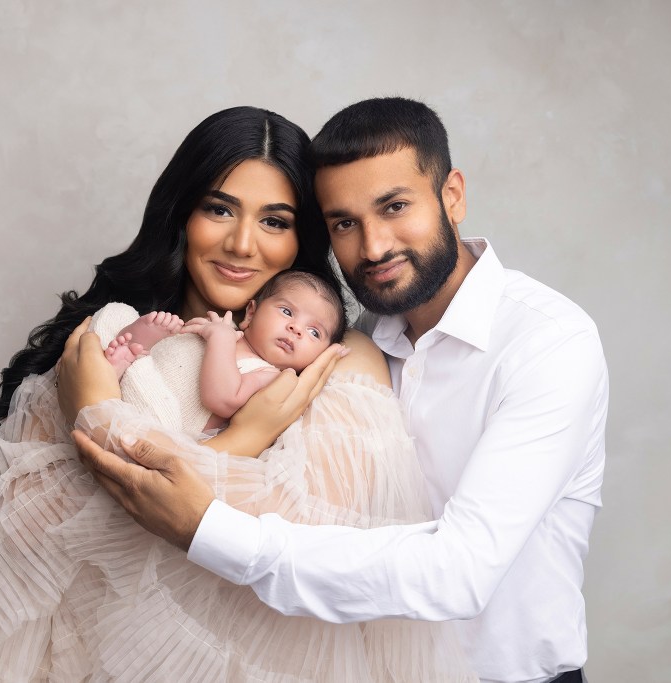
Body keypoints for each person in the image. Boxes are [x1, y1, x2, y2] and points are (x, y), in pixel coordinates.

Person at [0, 105, 474, 682]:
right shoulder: (110, 338)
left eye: (275, 220)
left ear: (303, 239)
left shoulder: (338, 359)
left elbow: (322, 549)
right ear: (181, 215)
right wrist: (222, 437)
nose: (243, 244)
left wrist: (107, 418)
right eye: (219, 209)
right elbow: (27, 539)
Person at [68, 97, 609, 683]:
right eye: (344, 224)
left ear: (452, 195)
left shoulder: (547, 344)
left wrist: (207, 528)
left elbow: (459, 573)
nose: (373, 248)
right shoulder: (346, 341)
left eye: (395, 206)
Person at [97, 269, 346, 434]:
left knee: (149, 411)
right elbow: (177, 353)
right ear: (250, 313)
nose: (296, 329)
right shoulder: (225, 329)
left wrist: (220, 339)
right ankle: (133, 351)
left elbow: (222, 399)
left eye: (314, 333)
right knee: (116, 313)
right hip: (154, 371)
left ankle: (127, 364)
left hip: (164, 425)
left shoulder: (270, 376)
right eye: (287, 312)